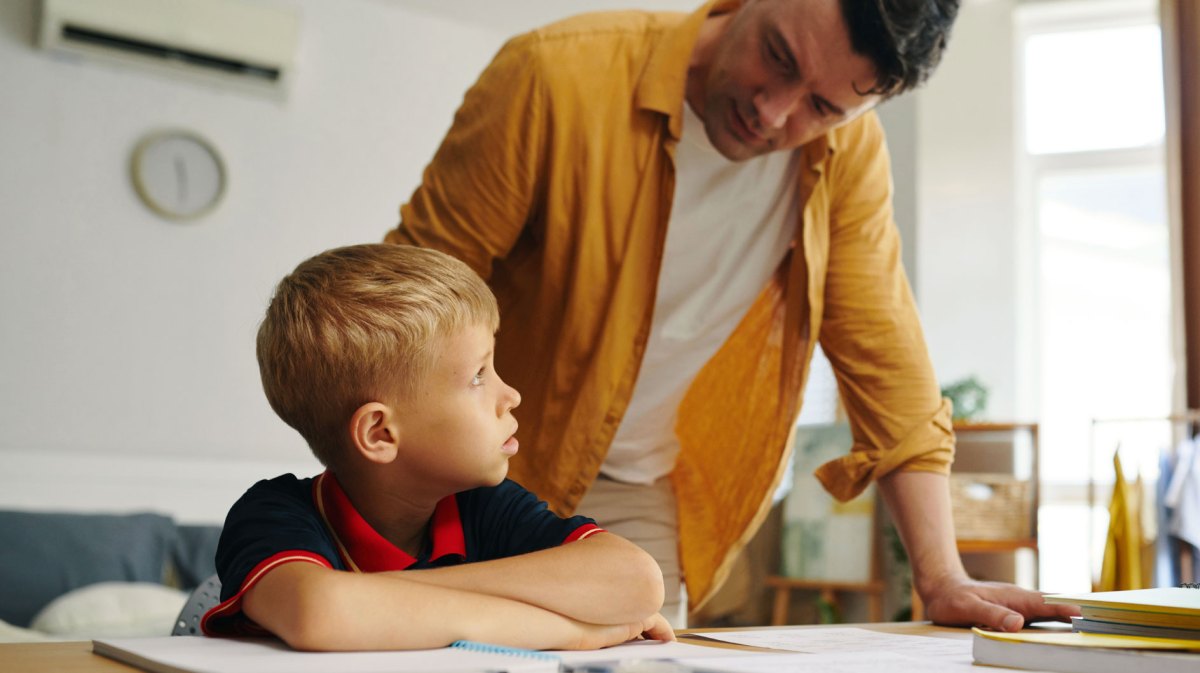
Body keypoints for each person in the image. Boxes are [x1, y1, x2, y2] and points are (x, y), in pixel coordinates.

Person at [385, 0, 1078, 630]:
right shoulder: (554, 76)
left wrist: (942, 576)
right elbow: (405, 302)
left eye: (823, 105)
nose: (774, 112)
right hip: (473, 470)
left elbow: (886, 359)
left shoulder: (846, 158)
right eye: (779, 56)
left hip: (638, 492)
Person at [201, 244, 673, 650]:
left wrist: (392, 600)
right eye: (478, 376)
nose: (511, 396)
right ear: (381, 434)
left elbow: (635, 581)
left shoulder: (481, 507)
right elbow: (324, 611)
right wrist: (573, 633)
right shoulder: (272, 513)